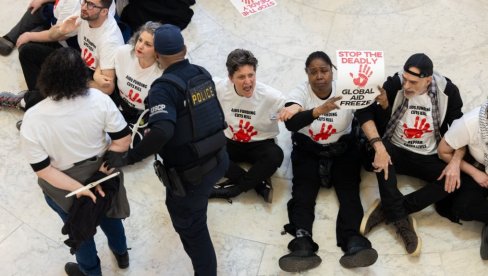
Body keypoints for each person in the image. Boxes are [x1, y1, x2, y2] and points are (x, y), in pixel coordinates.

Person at [104, 24, 229, 275]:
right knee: (195, 217)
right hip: (219, 159)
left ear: (158, 56)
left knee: (193, 231)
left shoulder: (162, 88)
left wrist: (129, 157)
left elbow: (162, 132)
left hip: (191, 176)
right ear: (184, 49)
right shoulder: (202, 73)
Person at [20, 47, 132, 276]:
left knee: (80, 232)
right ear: (82, 75)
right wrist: (102, 172)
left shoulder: (33, 118)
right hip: (102, 171)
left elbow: (43, 170)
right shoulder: (100, 100)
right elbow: (123, 140)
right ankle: (121, 254)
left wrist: (80, 189)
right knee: (111, 216)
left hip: (64, 185)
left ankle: (91, 272)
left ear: (47, 76)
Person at [278, 51, 378, 272]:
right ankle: (302, 240)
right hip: (308, 150)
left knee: (349, 191)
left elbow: (365, 114)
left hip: (343, 148)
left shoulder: (347, 87)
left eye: (324, 70)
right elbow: (291, 124)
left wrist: (378, 99)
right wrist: (318, 110)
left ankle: (353, 240)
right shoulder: (300, 91)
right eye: (313, 72)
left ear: (332, 71)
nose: (319, 76)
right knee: (303, 194)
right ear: (307, 74)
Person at [356, 53, 464, 256]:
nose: (406, 86)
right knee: (378, 152)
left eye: (413, 82)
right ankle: (400, 220)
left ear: (428, 80)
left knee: (454, 181)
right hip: (396, 147)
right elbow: (363, 111)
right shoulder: (394, 83)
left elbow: (461, 128)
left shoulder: (447, 91)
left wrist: (455, 162)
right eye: (405, 79)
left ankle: (391, 208)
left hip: (428, 154)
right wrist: (379, 148)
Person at [15, 0, 122, 113]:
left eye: (90, 4)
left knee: (58, 87)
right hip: (80, 64)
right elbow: (52, 36)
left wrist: (74, 82)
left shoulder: (109, 41)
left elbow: (107, 89)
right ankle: (38, 101)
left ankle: (34, 103)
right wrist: (60, 31)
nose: (84, 7)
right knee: (27, 52)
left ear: (104, 11)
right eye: (84, 1)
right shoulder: (85, 15)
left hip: (90, 81)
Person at [209, 49, 285, 203]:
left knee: (275, 155)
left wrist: (295, 108)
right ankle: (258, 185)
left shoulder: (271, 96)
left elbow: (293, 107)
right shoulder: (219, 87)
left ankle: (232, 190)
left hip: (259, 144)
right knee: (206, 153)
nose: (248, 81)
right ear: (231, 78)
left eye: (251, 75)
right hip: (230, 141)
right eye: (241, 77)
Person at [436, 101, 488, 260]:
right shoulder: (470, 122)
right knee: (463, 207)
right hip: (479, 169)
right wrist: (474, 173)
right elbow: (443, 151)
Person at [109, 21, 164, 147]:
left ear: (157, 51)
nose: (140, 46)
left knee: (132, 145)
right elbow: (104, 70)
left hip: (142, 114)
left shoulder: (162, 72)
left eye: (148, 44)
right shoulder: (123, 52)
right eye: (140, 40)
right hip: (119, 103)